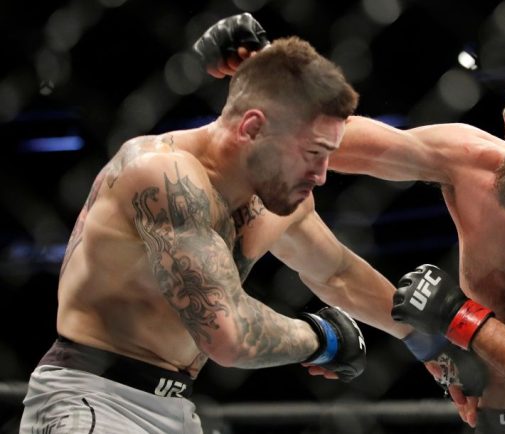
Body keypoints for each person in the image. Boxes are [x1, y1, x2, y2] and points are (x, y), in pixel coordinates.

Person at [203, 14, 505, 433]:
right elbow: (335, 139)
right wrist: (265, 68)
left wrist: (458, 318)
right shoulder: (469, 163)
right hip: (491, 423)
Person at [19, 17, 413, 434]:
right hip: (95, 399)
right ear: (253, 128)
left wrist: (431, 344)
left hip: (176, 407)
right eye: (313, 152)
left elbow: (338, 273)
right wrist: (324, 338)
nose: (321, 174)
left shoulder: (275, 200)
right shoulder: (161, 173)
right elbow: (229, 335)